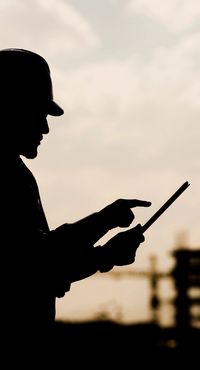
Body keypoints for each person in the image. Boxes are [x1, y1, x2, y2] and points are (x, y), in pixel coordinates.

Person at [0, 48, 151, 361]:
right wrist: (104, 239)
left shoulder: (10, 173)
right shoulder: (4, 177)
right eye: (38, 114)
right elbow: (32, 268)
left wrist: (103, 240)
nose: (44, 129)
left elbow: (36, 265)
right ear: (11, 106)